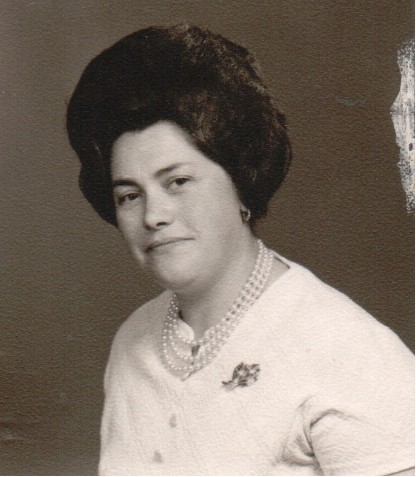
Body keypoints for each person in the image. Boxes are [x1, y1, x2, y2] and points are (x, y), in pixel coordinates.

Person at [66, 24, 414, 476]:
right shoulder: (133, 340)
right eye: (129, 195)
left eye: (178, 182)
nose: (153, 215)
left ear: (240, 183)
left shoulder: (348, 350)